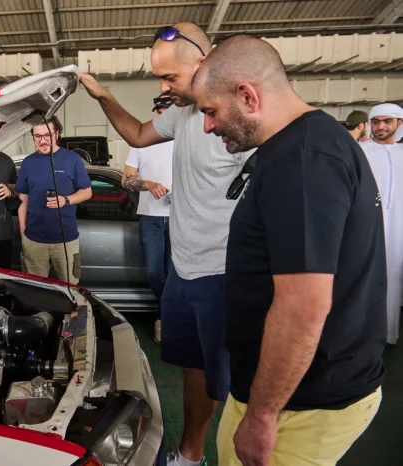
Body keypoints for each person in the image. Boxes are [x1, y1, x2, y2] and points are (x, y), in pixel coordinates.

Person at [192, 34, 385, 466]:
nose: (208, 125)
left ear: (247, 96)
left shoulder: (302, 161)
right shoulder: (305, 145)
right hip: (286, 393)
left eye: (210, 111)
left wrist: (261, 415)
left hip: (300, 403)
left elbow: (303, 307)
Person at [80, 23, 252, 466]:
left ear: (202, 64)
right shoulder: (182, 115)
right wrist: (103, 97)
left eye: (169, 77)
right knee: (191, 367)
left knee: (228, 378)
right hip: (185, 269)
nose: (162, 87)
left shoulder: (237, 121)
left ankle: (221, 451)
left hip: (222, 272)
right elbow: (137, 134)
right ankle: (192, 453)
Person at [15, 116, 92, 285]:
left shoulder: (72, 159)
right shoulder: (28, 163)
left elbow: (87, 192)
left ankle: (69, 312)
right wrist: (23, 233)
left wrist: (66, 200)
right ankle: (41, 313)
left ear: (56, 134)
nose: (42, 141)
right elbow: (22, 201)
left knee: (70, 289)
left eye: (47, 135)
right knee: (37, 289)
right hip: (34, 241)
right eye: (38, 136)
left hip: (66, 240)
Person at [122, 95, 174, 343]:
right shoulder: (141, 143)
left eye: (168, 111)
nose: (163, 116)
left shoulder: (187, 139)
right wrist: (147, 184)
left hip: (180, 218)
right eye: (160, 111)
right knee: (155, 273)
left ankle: (164, 318)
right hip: (150, 219)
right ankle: (169, 314)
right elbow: (126, 179)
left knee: (174, 272)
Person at [360, 103, 403, 345]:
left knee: (393, 274)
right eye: (375, 122)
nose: (380, 127)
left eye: (387, 121)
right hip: (365, 226)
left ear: (400, 124)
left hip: (398, 229)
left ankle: (387, 333)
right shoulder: (359, 151)